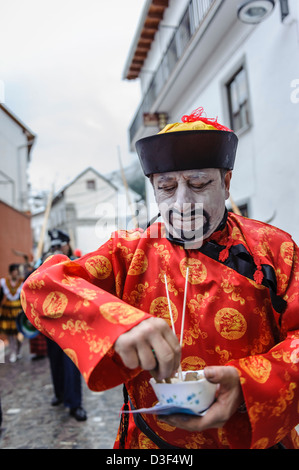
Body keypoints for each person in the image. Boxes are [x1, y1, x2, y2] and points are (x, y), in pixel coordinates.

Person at [20, 108, 299, 449]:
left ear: (225, 184)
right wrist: (117, 324)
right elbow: (42, 286)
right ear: (153, 189)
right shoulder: (127, 253)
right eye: (167, 187)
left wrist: (250, 384)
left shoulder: (275, 249)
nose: (182, 203)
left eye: (198, 184)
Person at [41, 229, 87, 421]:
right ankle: (59, 394)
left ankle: (75, 404)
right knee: (55, 362)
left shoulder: (75, 263)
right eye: (55, 246)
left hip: (70, 322)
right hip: (51, 321)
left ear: (68, 244)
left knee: (71, 363)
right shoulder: (43, 263)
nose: (57, 249)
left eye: (60, 245)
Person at [0, 264, 23, 363]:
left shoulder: (22, 282)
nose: (15, 273)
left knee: (19, 333)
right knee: (9, 333)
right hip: (8, 310)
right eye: (13, 271)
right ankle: (13, 351)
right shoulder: (4, 282)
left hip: (18, 310)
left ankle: (18, 350)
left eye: (16, 271)